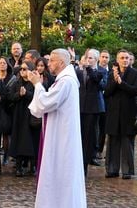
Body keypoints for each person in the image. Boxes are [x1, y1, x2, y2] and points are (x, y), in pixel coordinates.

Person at [28, 49, 86, 208]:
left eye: (52, 60)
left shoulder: (66, 81)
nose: (49, 63)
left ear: (61, 62)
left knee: (60, 169)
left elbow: (46, 102)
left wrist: (37, 85)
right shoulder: (64, 80)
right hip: (61, 133)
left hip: (62, 137)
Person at [104, 49, 137, 179]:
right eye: (122, 58)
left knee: (127, 143)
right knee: (113, 142)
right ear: (117, 60)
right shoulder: (111, 74)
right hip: (114, 113)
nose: (125, 60)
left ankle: (127, 171)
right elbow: (107, 93)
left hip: (128, 113)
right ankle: (112, 169)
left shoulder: (136, 74)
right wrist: (115, 81)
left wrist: (121, 83)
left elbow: (135, 91)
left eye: (127, 58)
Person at [76, 49, 106, 176]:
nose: (88, 60)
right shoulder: (79, 71)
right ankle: (77, 163)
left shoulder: (101, 71)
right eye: (87, 57)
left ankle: (85, 165)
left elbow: (100, 85)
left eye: (91, 58)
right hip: (80, 107)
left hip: (93, 108)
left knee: (89, 137)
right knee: (79, 136)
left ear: (96, 59)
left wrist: (88, 68)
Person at [9, 61, 35, 177]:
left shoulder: (34, 83)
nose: (23, 71)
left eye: (25, 69)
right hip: (19, 115)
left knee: (31, 140)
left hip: (31, 115)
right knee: (19, 140)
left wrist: (27, 94)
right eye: (21, 69)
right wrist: (19, 95)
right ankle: (18, 167)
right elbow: (10, 97)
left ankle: (32, 166)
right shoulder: (16, 83)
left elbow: (38, 95)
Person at [0, 56, 16, 173]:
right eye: (0, 63)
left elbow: (11, 96)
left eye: (4, 63)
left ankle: (6, 156)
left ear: (7, 65)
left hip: (6, 109)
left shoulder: (12, 79)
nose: (2, 65)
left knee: (6, 135)